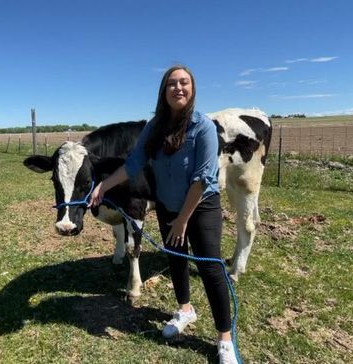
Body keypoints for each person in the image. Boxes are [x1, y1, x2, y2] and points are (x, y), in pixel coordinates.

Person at [89, 65, 237, 364]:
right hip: (168, 207)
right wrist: (103, 186)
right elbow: (133, 164)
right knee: (176, 260)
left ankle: (225, 339)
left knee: (210, 268)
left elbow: (202, 178)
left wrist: (182, 220)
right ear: (163, 91)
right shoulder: (154, 127)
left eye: (184, 83)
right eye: (172, 83)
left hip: (201, 206)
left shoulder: (203, 127)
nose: (178, 88)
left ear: (192, 89)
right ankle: (185, 310)